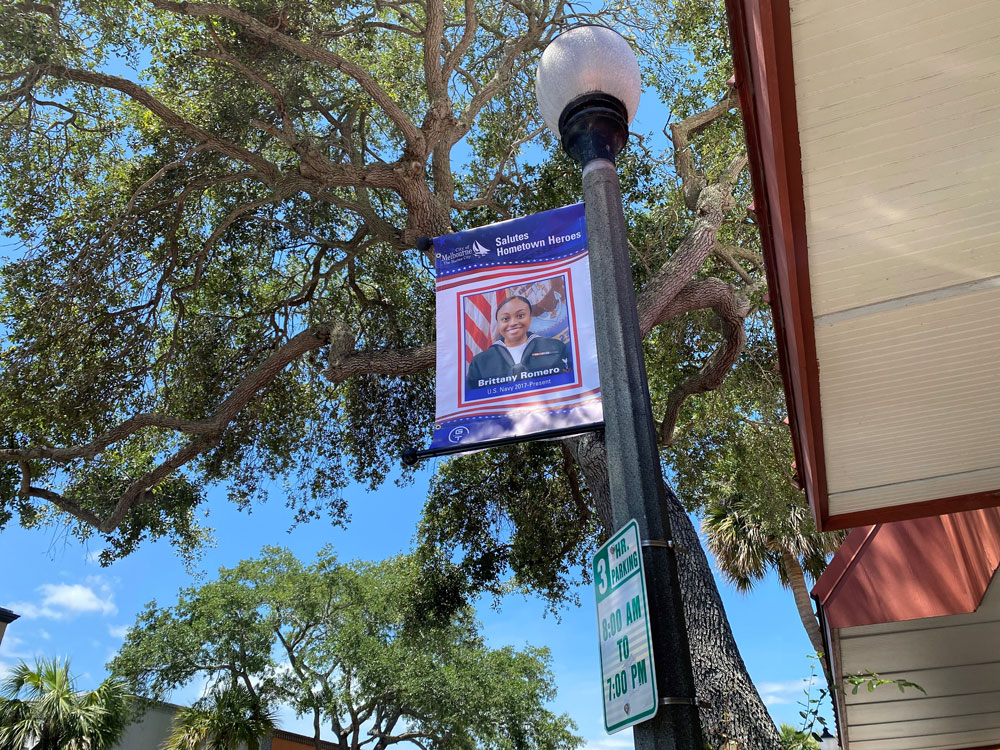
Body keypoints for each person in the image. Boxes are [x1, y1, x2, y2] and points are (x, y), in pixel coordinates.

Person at [465, 295, 570, 393]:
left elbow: (566, 387)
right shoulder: (480, 362)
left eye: (520, 316)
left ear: (530, 318)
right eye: (505, 319)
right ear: (498, 324)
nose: (513, 323)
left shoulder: (556, 348)